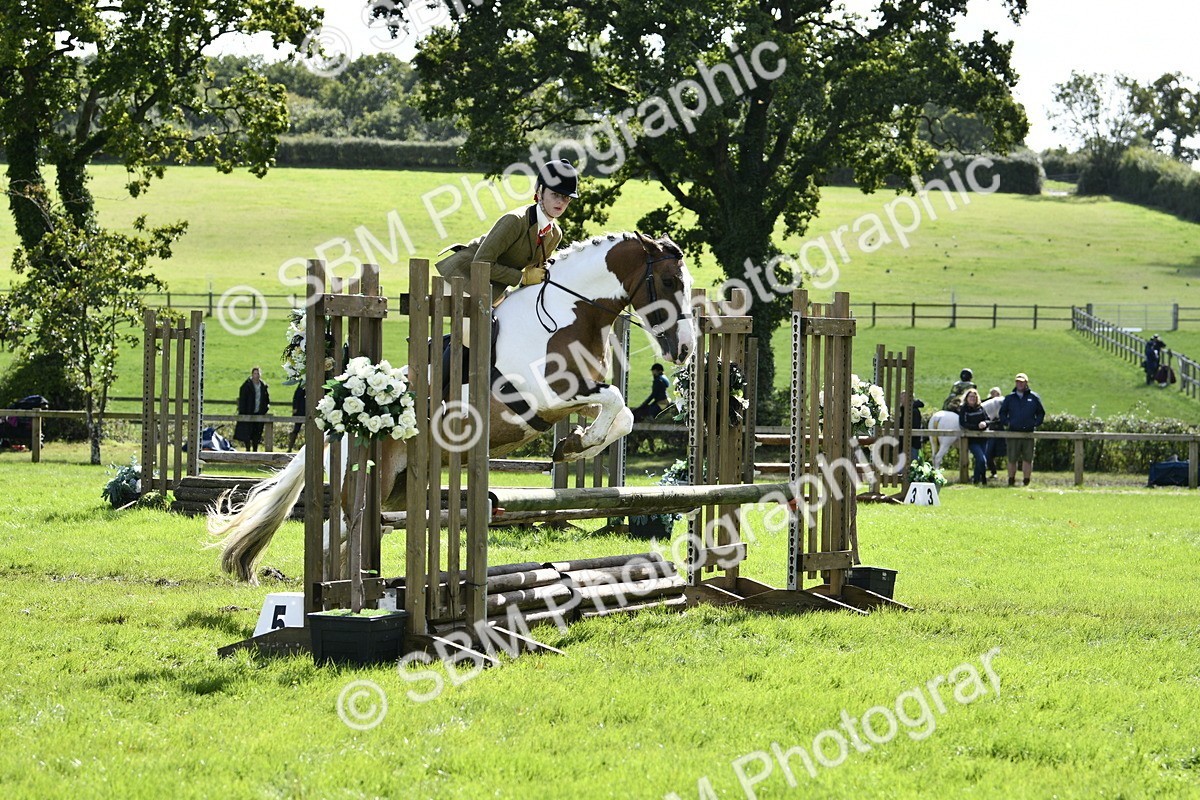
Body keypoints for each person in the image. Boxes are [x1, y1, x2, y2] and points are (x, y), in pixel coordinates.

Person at [434, 158, 578, 303]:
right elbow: (481, 263)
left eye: (566, 197)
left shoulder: (555, 234)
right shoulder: (515, 220)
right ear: (540, 192)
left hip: (495, 289)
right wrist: (522, 277)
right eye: (555, 194)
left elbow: (536, 273)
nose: (560, 201)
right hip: (463, 277)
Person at [998, 372, 1045, 487]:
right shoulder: (1009, 398)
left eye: (1022, 382)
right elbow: (1002, 413)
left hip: (1028, 433)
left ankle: (1026, 481)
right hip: (1013, 432)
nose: (1019, 384)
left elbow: (1041, 413)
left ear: (1026, 383)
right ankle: (1011, 480)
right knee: (1012, 458)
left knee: (1027, 459)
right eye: (1018, 381)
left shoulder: (1033, 397)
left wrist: (1035, 423)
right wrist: (1007, 423)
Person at [957, 388, 991, 485]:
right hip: (972, 440)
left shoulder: (981, 408)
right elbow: (963, 423)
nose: (972, 398)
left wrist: (985, 423)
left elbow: (988, 420)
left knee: (979, 461)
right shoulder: (964, 409)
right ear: (967, 398)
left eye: (974, 396)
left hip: (983, 439)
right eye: (970, 396)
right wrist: (977, 427)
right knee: (982, 460)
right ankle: (983, 479)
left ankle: (976, 480)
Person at [235, 366, 271, 452]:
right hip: (248, 413)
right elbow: (243, 400)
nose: (256, 375)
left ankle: (255, 450)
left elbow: (266, 400)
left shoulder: (263, 386)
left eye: (258, 373)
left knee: (257, 433)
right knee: (247, 433)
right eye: (255, 373)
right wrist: (243, 412)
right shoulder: (246, 386)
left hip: (259, 413)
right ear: (252, 374)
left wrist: (264, 410)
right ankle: (247, 450)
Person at [896, 392, 926, 463]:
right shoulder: (904, 410)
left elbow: (914, 427)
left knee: (911, 466)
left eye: (902, 398)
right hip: (904, 443)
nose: (900, 400)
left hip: (912, 444)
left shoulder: (914, 411)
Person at [983, 386, 1006, 478]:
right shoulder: (987, 404)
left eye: (996, 393)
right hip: (990, 432)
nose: (994, 395)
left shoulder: (1002, 404)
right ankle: (992, 472)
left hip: (1000, 431)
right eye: (992, 393)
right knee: (988, 453)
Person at [286, 384, 305, 452]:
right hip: (301, 410)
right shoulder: (302, 384)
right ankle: (290, 448)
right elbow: (296, 397)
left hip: (307, 410)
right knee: (296, 429)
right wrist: (295, 408)